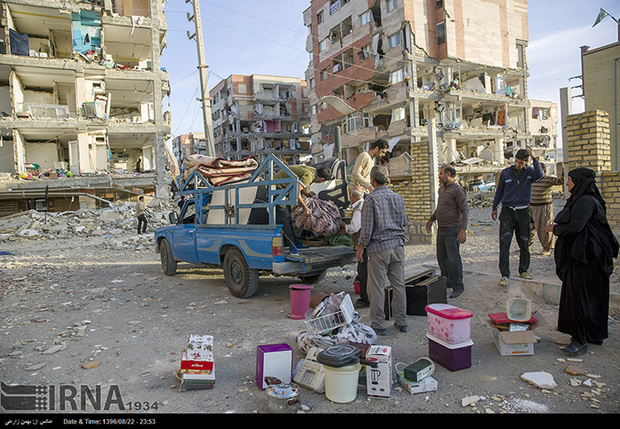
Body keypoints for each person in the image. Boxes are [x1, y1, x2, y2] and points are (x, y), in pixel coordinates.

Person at [544, 168, 619, 355]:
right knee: (592, 296)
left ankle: (579, 340)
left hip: (586, 258)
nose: (567, 183)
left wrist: (554, 228)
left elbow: (576, 226)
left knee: (580, 297)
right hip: (590, 256)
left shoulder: (585, 201)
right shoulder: (588, 199)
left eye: (570, 180)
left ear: (579, 182)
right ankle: (593, 334)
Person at [357, 165, 409, 335]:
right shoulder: (398, 198)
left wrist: (360, 247)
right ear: (387, 179)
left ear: (372, 180)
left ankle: (379, 325)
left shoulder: (370, 200)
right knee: (399, 285)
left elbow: (366, 230)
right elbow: (405, 221)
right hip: (398, 247)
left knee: (377, 288)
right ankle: (402, 322)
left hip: (379, 249)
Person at [491, 147, 543, 287]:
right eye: (517, 161)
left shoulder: (530, 173)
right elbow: (499, 191)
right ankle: (505, 275)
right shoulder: (506, 173)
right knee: (504, 243)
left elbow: (540, 175)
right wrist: (494, 207)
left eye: (521, 162)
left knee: (524, 243)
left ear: (526, 162)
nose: (518, 164)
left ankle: (524, 270)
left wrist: (534, 158)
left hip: (523, 212)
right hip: (507, 212)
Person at [425, 165, 469, 298]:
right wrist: (431, 219)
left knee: (453, 258)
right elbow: (440, 207)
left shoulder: (457, 190)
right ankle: (448, 281)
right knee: (441, 257)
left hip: (452, 229)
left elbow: (465, 210)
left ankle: (458, 286)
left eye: (441, 173)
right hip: (442, 229)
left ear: (448, 174)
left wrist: (463, 230)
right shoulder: (442, 189)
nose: (439, 175)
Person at [274, 164, 331, 252]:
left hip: (283, 189)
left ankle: (296, 243)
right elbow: (297, 191)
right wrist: (305, 208)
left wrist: (311, 196)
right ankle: (292, 246)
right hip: (276, 189)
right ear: (322, 179)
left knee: (289, 217)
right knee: (284, 219)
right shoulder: (309, 175)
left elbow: (302, 188)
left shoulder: (312, 171)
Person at [338, 186, 369, 308]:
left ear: (352, 196)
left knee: (363, 272)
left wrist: (344, 226)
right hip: (369, 245)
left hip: (363, 246)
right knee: (367, 272)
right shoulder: (365, 204)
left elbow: (354, 228)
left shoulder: (358, 209)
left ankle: (365, 299)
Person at [529, 163, 563, 255]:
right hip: (530, 206)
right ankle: (526, 246)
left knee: (545, 227)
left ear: (543, 171)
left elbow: (560, 181)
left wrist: (563, 170)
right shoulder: (530, 180)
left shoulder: (548, 179)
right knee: (528, 228)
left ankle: (547, 248)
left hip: (543, 207)